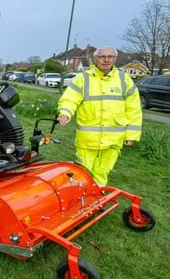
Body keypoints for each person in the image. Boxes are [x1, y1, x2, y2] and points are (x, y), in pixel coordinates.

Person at [57, 46, 142, 186]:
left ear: (115, 59)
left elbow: (133, 109)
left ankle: (97, 199)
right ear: (95, 59)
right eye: (102, 57)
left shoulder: (124, 79)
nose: (106, 60)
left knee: (102, 172)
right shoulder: (83, 79)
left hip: (113, 140)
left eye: (110, 57)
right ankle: (82, 200)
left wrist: (131, 135)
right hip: (87, 140)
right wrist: (65, 113)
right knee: (83, 172)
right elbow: (69, 99)